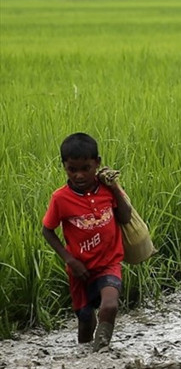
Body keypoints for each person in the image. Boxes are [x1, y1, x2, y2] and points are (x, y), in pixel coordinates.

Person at [42, 133, 133, 351]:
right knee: (85, 322)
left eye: (86, 168)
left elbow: (125, 217)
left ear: (97, 163)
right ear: (64, 166)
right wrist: (70, 260)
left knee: (109, 305)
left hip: (108, 263)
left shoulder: (107, 190)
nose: (79, 175)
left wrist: (115, 189)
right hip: (79, 270)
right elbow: (47, 230)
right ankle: (85, 358)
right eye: (72, 170)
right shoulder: (61, 198)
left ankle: (100, 352)